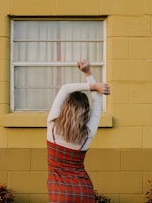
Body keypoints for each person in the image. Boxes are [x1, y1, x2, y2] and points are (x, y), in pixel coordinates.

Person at [46, 59, 110, 203]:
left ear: (65, 107)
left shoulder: (52, 125)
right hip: (83, 191)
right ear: (85, 112)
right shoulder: (87, 135)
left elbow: (65, 89)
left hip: (60, 192)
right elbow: (97, 103)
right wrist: (89, 74)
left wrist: (93, 85)